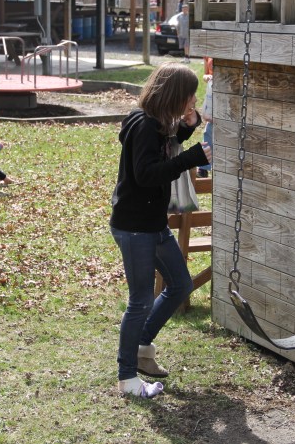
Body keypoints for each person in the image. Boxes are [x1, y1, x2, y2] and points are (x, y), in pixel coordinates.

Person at [110, 62, 211, 398]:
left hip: (153, 224)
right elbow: (146, 174)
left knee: (180, 284)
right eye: (190, 94)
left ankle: (142, 346)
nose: (194, 99)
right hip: (135, 227)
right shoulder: (143, 124)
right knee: (140, 301)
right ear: (175, 94)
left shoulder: (157, 123)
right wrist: (192, 157)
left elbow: (165, 146)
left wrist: (186, 129)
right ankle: (127, 378)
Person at [197, 57, 213, 178]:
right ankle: (203, 168)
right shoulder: (207, 54)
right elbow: (205, 74)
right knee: (208, 132)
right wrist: (207, 77)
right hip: (212, 94)